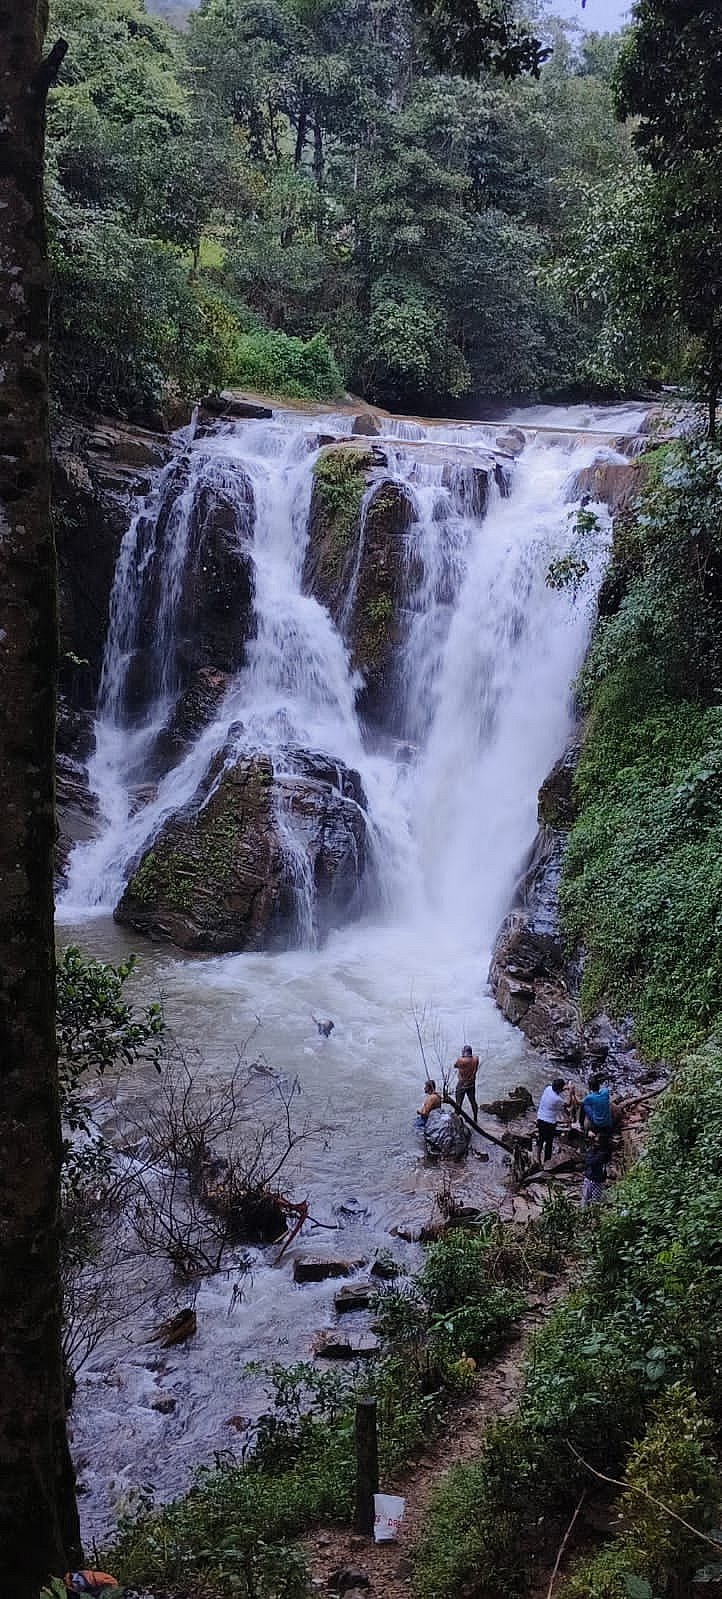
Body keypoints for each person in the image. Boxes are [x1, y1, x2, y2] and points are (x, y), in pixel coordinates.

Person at [535, 1076, 569, 1163]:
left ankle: (537, 1158)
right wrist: (570, 1092)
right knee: (549, 1142)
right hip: (549, 1122)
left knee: (541, 1139)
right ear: (559, 1089)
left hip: (540, 1117)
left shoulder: (548, 1088)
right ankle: (547, 1161)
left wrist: (564, 1089)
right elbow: (567, 1104)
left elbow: (557, 1091)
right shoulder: (557, 1099)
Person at [580, 1132, 610, 1208]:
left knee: (592, 1201)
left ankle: (589, 1214)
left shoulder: (603, 1154)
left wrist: (592, 1149)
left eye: (597, 1142)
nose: (595, 1143)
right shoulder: (601, 1151)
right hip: (593, 1178)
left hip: (596, 1179)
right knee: (587, 1200)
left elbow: (590, 1161)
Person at [453, 1045, 479, 1121]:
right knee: (473, 1101)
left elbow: (455, 1066)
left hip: (462, 1084)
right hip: (471, 1083)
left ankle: (456, 1119)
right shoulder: (476, 1059)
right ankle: (475, 1118)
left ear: (464, 1052)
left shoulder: (460, 1060)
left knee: (458, 1103)